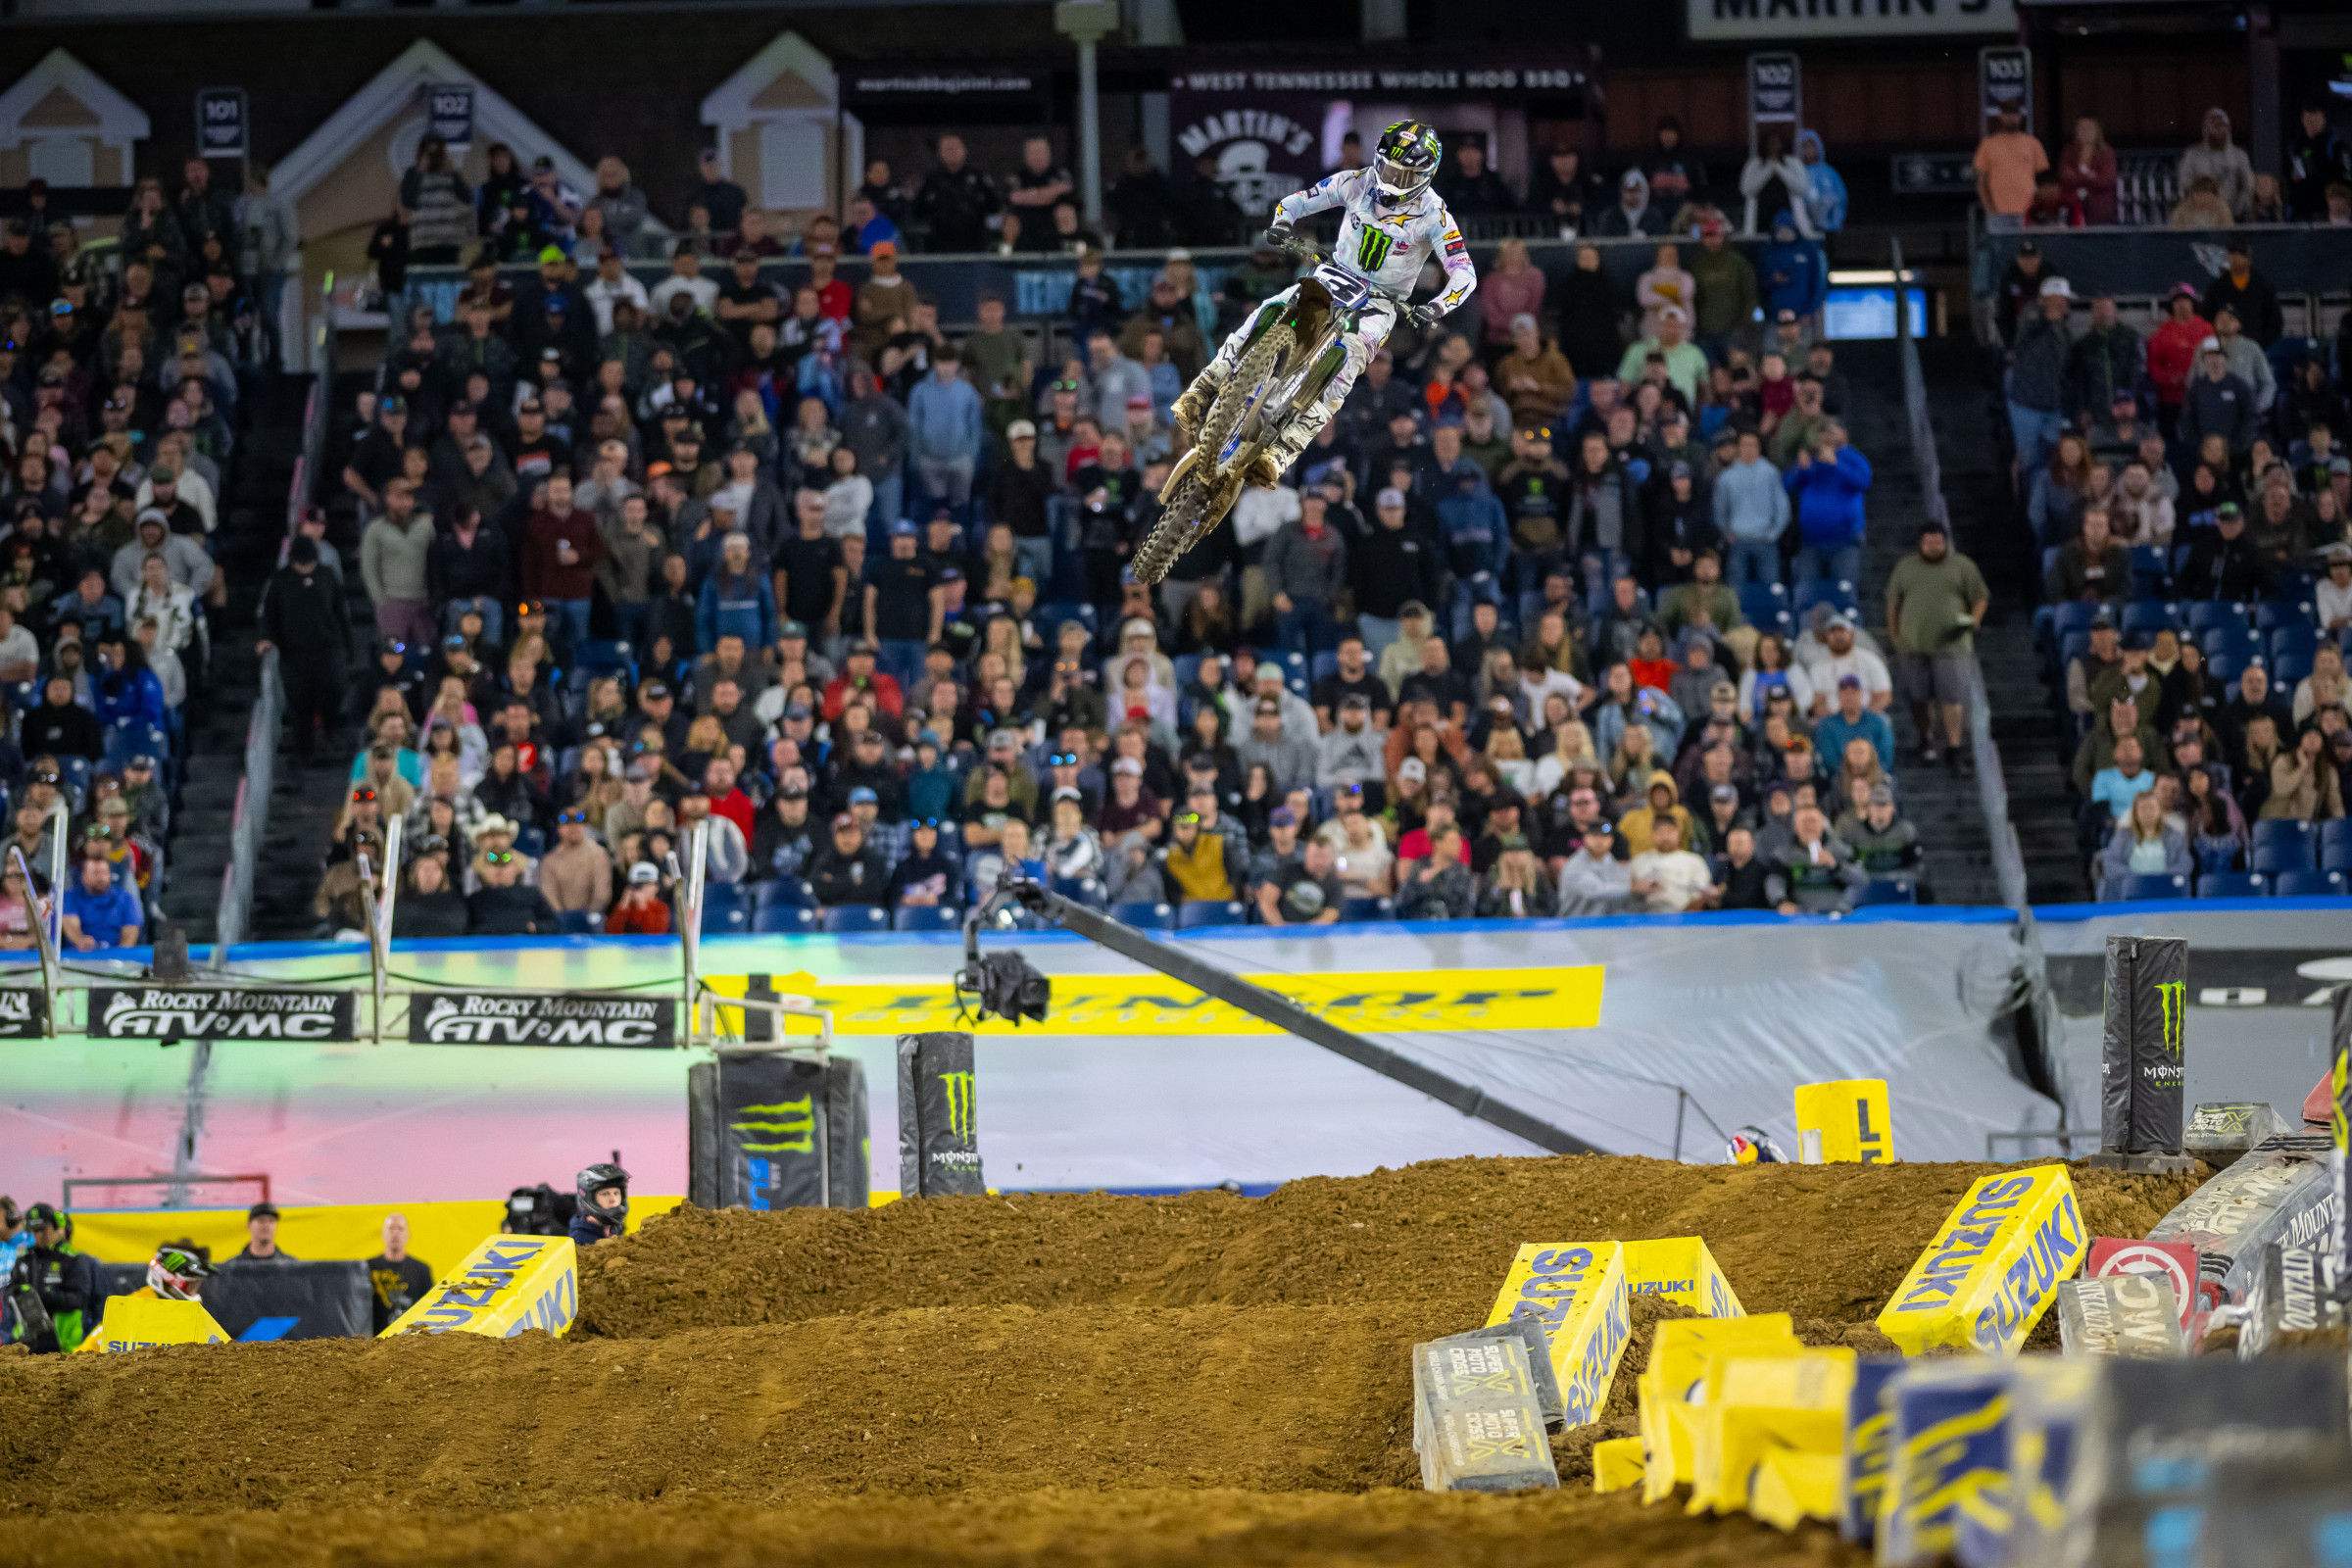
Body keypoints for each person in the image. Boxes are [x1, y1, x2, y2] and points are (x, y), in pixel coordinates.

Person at [1168, 122, 1476, 497]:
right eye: (1388, 168)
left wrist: (1437, 307)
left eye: (1403, 175)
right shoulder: (1355, 181)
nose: (1391, 181)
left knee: (1347, 363)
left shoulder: (1435, 214)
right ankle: (1205, 386)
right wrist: (1282, 222)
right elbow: (1299, 200)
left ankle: (1282, 451)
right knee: (1274, 306)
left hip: (1382, 302)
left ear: (1425, 176)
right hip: (1333, 274)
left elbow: (1464, 273)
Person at [1885, 520, 1989, 773]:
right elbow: (1892, 602)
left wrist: (1975, 619)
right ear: (1920, 543)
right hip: (1913, 644)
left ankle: (1954, 748)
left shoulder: (1962, 566)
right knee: (1918, 697)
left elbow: (1980, 596)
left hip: (1951, 645)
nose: (1934, 546)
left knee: (1952, 698)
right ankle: (1925, 739)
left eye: (1938, 541)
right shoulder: (1905, 568)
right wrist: (1895, 635)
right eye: (1929, 542)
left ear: (1946, 542)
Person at [5, 1203, 101, 1352]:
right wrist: (16, 1294)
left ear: (57, 1226)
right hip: (27, 1344)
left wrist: (42, 1295)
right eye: (34, 1230)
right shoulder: (24, 1260)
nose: (39, 1235)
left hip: (65, 1347)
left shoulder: (74, 1259)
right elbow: (9, 1294)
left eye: (43, 1229)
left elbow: (79, 1300)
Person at [1974, 105, 2047, 227]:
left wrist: (2039, 208)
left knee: (2027, 246)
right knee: (1999, 246)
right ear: (2001, 117)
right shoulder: (1989, 144)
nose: (2011, 118)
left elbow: (2044, 180)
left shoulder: (2032, 143)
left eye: (2014, 115)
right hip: (1998, 212)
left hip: (2028, 211)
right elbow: (1982, 182)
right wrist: (1990, 209)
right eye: (2007, 115)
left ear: (2019, 117)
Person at [367, 1213, 434, 1335]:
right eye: (391, 1228)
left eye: (400, 1229)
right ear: (383, 1234)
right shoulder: (368, 1267)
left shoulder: (421, 1269)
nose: (395, 1233)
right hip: (375, 1338)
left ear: (408, 1235)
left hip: (410, 1340)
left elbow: (429, 1309)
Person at [61, 849, 141, 951]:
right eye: (95, 873)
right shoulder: (70, 897)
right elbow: (70, 923)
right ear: (83, 877)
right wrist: (80, 940)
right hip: (81, 955)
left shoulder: (125, 898)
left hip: (116, 957)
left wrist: (120, 956)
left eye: (104, 873)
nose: (101, 878)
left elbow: (131, 930)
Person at [570, 1162, 629, 1246]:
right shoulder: (580, 1238)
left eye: (616, 1193)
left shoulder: (614, 1229)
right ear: (589, 1199)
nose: (613, 1199)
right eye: (605, 1194)